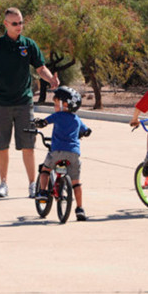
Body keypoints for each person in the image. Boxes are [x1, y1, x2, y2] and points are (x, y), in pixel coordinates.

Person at [0, 7, 59, 199]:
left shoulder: (29, 45)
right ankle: (3, 184)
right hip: (1, 102)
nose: (19, 27)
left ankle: (32, 184)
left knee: (28, 145)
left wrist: (51, 80)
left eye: (21, 22)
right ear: (6, 24)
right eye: (15, 23)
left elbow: (41, 68)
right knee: (1, 145)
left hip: (24, 101)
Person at [33, 86, 91, 221]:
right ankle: (80, 209)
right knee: (76, 182)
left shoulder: (57, 115)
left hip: (57, 151)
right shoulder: (77, 119)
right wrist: (84, 132)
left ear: (64, 104)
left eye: (55, 103)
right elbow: (87, 130)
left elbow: (44, 122)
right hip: (74, 154)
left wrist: (37, 123)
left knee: (45, 169)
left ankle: (42, 193)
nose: (54, 106)